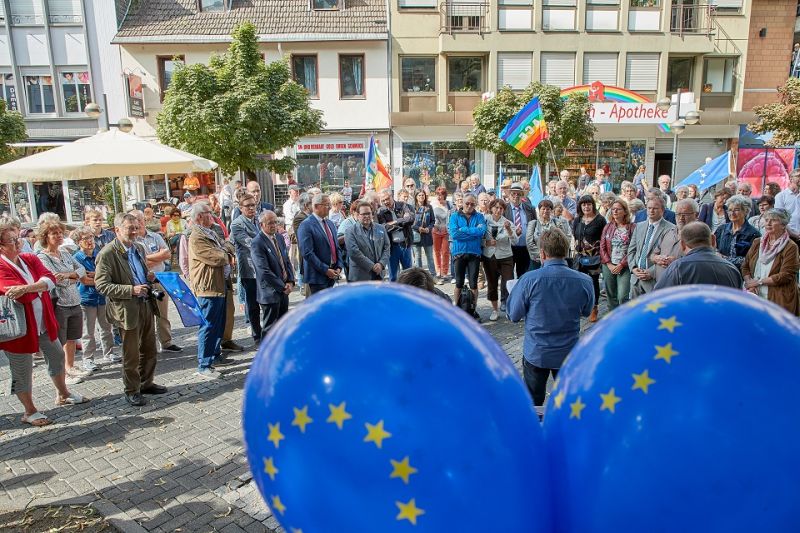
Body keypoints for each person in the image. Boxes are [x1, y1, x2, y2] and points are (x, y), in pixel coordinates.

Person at [0, 220, 88, 426]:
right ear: (1, 246)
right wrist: (37, 287)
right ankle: (29, 411)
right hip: (18, 328)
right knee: (22, 368)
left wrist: (28, 287)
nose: (18, 243)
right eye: (12, 240)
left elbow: (50, 279)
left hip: (43, 322)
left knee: (57, 354)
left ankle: (63, 393)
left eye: (18, 237)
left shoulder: (29, 258)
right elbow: (21, 297)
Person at [507, 228, 594, 417]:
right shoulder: (585, 280)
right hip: (568, 352)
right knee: (570, 404)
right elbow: (587, 311)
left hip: (536, 352)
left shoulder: (529, 279)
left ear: (543, 253)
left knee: (532, 403)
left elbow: (513, 315)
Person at [95, 213, 165, 406]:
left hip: (145, 304)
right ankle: (132, 390)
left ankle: (146, 383)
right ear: (117, 230)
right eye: (130, 228)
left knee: (149, 349)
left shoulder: (139, 248)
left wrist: (148, 277)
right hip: (126, 309)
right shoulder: (108, 253)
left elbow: (139, 272)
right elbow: (101, 285)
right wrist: (130, 290)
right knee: (131, 354)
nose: (134, 231)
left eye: (136, 227)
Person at [187, 204, 236, 379]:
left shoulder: (212, 232)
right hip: (207, 286)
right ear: (200, 216)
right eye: (209, 213)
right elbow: (216, 257)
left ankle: (215, 355)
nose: (213, 216)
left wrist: (225, 251)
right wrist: (226, 253)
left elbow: (228, 246)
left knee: (219, 323)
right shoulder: (196, 237)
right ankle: (204, 364)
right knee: (208, 325)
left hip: (220, 283)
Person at [36, 221, 88, 383]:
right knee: (60, 340)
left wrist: (67, 276)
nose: (59, 236)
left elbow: (81, 270)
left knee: (72, 337)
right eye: (54, 233)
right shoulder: (42, 257)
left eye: (60, 233)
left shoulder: (65, 253)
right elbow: (54, 279)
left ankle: (70, 366)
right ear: (46, 237)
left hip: (74, 300)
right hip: (59, 303)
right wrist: (71, 277)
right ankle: (62, 374)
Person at [130, 210, 182, 353]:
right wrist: (155, 257)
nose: (137, 223)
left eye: (139, 220)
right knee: (145, 316)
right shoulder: (132, 241)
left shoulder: (155, 236)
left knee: (162, 313)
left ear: (144, 221)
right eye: (134, 220)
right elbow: (138, 261)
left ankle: (166, 342)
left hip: (159, 278)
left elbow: (166, 254)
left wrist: (148, 259)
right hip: (141, 282)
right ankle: (147, 345)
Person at [72, 228, 119, 372]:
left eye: (91, 237)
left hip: (102, 296)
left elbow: (109, 272)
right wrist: (102, 278)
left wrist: (98, 276)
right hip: (87, 298)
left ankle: (109, 353)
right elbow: (85, 279)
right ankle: (88, 359)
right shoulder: (77, 258)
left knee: (106, 327)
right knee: (88, 331)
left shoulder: (99, 254)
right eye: (85, 238)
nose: (90, 241)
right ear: (78, 242)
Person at [742, 209, 800, 316]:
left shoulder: (791, 246)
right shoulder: (757, 242)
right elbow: (745, 266)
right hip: (756, 295)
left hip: (779, 298)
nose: (768, 223)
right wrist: (750, 283)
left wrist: (758, 282)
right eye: (767, 219)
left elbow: (785, 276)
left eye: (773, 220)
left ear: (783, 225)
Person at [654, 222, 743, 290]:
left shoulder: (677, 268)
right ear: (713, 240)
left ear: (682, 245)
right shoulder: (732, 269)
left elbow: (657, 301)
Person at [251, 211, 295, 334]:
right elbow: (263, 270)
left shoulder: (279, 238)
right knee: (270, 329)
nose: (274, 225)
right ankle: (267, 352)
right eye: (270, 223)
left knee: (283, 326)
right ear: (261, 225)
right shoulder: (257, 242)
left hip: (284, 290)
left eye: (275, 222)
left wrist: (290, 281)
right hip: (270, 292)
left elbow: (286, 261)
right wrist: (282, 286)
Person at [628, 196, 676, 299]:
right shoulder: (639, 226)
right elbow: (631, 250)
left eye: (655, 208)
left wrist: (651, 272)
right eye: (649, 208)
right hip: (636, 278)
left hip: (654, 280)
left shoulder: (671, 229)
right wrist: (633, 268)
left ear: (663, 210)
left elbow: (667, 257)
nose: (651, 211)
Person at [230, 193, 262, 344]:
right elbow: (251, 243)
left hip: (263, 268)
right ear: (241, 208)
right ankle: (257, 335)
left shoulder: (260, 219)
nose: (251, 208)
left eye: (253, 205)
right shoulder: (237, 224)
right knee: (252, 304)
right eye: (248, 206)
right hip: (249, 270)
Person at [297, 193, 344, 294]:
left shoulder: (330, 224)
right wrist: (325, 270)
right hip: (317, 277)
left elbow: (336, 247)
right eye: (327, 205)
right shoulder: (306, 225)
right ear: (316, 206)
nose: (330, 207)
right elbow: (307, 253)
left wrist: (339, 266)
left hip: (333, 274)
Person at [449, 193, 486, 316]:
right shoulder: (454, 216)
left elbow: (481, 232)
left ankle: (473, 309)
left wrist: (463, 229)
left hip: (474, 253)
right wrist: (473, 233)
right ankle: (456, 309)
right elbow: (454, 234)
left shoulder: (479, 216)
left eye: (472, 204)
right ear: (462, 203)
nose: (469, 206)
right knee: (459, 283)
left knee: (473, 284)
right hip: (459, 253)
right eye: (467, 203)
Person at [572, 195, 605, 322]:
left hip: (594, 258)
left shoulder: (600, 220)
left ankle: (594, 307)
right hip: (580, 257)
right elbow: (575, 237)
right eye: (584, 204)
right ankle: (581, 306)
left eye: (589, 204)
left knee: (593, 282)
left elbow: (603, 239)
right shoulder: (577, 220)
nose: (586, 206)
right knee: (580, 282)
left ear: (593, 205)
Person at [651, 198, 699, 284]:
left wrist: (677, 261)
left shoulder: (701, 235)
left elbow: (702, 262)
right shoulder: (667, 231)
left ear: (696, 215)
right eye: (678, 214)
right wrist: (656, 258)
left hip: (682, 288)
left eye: (685, 214)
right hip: (661, 285)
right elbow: (653, 254)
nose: (681, 218)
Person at [600, 200, 636, 310]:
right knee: (611, 296)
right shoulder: (608, 227)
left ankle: (624, 318)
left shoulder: (632, 227)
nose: (615, 211)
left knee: (622, 296)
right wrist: (608, 263)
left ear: (625, 211)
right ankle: (612, 319)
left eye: (618, 209)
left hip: (624, 266)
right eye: (613, 209)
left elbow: (633, 248)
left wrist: (621, 264)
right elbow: (602, 247)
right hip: (608, 265)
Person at [482, 199, 514, 321]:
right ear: (491, 208)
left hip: (505, 256)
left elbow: (515, 239)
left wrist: (510, 229)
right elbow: (478, 238)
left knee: (508, 283)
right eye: (496, 207)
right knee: (492, 284)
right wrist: (486, 242)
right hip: (489, 256)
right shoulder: (484, 220)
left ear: (504, 210)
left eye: (501, 208)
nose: (498, 210)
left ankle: (510, 308)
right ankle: (495, 310)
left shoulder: (507, 222)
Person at [344, 201, 390, 282]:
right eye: (364, 214)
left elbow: (387, 247)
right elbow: (354, 253)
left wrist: (381, 264)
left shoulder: (381, 228)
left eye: (369, 213)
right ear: (358, 215)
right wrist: (372, 266)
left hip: (378, 274)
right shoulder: (350, 231)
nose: (367, 216)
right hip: (360, 276)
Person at [376, 189, 414, 281]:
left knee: (409, 274)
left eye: (387, 199)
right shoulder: (380, 211)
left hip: (405, 244)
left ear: (392, 196)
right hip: (392, 247)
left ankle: (407, 293)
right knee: (393, 276)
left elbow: (410, 219)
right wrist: (401, 221)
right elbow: (383, 228)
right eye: (383, 200)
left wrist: (394, 223)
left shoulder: (402, 205)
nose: (386, 202)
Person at [714, 194, 759, 267]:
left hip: (740, 274)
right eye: (730, 210)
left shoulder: (754, 233)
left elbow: (751, 259)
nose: (732, 213)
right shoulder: (721, 229)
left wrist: (725, 259)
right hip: (721, 270)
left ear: (746, 211)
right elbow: (713, 248)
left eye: (736, 210)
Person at [526, 199, 572, 271]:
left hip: (553, 261)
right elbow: (529, 243)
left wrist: (550, 257)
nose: (545, 211)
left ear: (551, 211)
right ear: (539, 210)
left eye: (548, 209)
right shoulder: (533, 223)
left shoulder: (557, 223)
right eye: (543, 209)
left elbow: (562, 240)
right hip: (536, 261)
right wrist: (542, 256)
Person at [504, 183, 537, 277]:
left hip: (525, 248)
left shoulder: (530, 209)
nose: (516, 196)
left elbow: (535, 226)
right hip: (508, 248)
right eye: (513, 194)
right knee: (508, 276)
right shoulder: (504, 209)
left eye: (518, 194)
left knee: (523, 276)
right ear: (509, 195)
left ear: (522, 196)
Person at [431, 186, 452, 283]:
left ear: (445, 195)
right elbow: (431, 219)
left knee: (445, 252)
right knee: (436, 251)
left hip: (446, 231)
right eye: (437, 195)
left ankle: (444, 272)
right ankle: (438, 271)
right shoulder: (432, 205)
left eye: (441, 195)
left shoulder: (449, 205)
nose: (439, 197)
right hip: (435, 230)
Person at [412, 190, 436, 275]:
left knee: (430, 257)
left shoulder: (429, 207)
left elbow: (433, 221)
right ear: (416, 196)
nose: (421, 197)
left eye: (423, 195)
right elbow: (410, 222)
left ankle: (433, 276)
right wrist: (418, 228)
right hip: (416, 235)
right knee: (418, 257)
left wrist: (428, 228)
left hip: (427, 235)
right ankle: (420, 276)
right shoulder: (412, 207)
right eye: (419, 195)